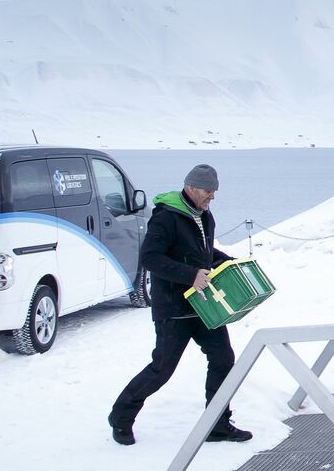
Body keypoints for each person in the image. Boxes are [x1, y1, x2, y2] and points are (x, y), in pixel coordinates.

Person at [108, 164, 253, 445]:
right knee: (162, 370)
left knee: (224, 359)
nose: (212, 197)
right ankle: (121, 417)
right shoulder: (166, 217)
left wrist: (227, 261)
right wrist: (190, 275)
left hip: (204, 306)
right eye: (208, 191)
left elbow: (202, 252)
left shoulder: (203, 216)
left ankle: (217, 424)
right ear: (191, 187)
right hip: (174, 310)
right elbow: (150, 257)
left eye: (214, 191)